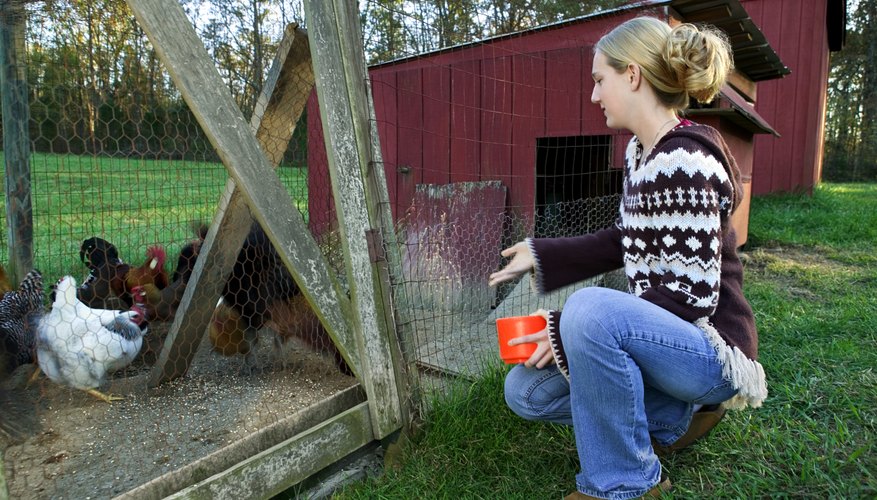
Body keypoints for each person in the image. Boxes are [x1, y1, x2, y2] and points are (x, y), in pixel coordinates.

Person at [488, 16, 767, 499]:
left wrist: (565, 329)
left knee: (588, 312)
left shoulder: (685, 161)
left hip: (710, 350)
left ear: (632, 75)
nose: (595, 95)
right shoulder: (642, 155)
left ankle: (625, 482)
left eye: (600, 79)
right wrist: (537, 254)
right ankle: (669, 418)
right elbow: (624, 238)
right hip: (669, 346)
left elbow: (692, 294)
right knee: (525, 392)